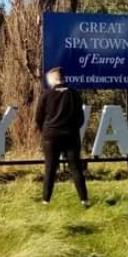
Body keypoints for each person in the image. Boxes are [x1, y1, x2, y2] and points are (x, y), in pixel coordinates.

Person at [35, 67, 89, 207]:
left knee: (50, 169)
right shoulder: (74, 94)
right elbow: (81, 118)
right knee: (76, 168)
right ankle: (84, 200)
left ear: (52, 80)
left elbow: (38, 117)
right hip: (71, 136)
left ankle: (46, 201)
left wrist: (45, 131)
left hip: (50, 136)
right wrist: (72, 129)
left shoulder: (46, 95)